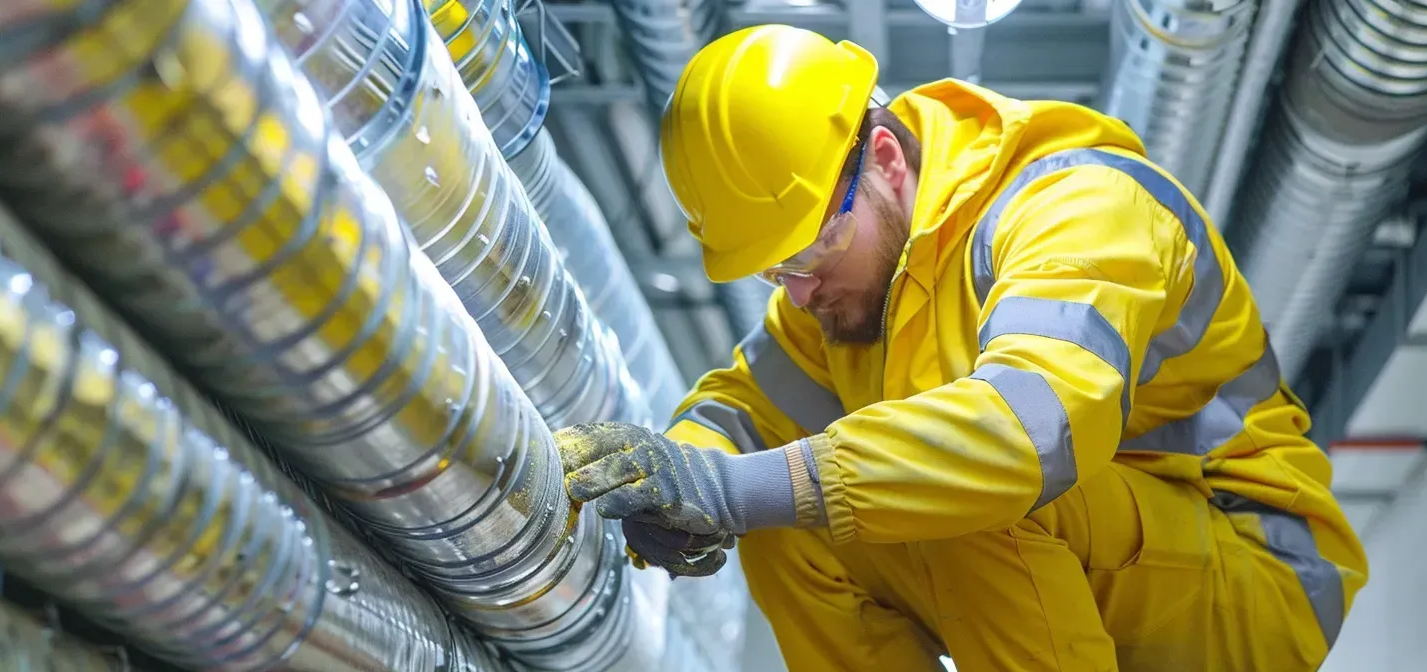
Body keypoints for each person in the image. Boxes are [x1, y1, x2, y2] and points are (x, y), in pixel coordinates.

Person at [553, 24, 1369, 672]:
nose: (797, 293)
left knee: (970, 492)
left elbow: (1028, 434)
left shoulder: (1077, 203)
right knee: (788, 526)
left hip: (1257, 576)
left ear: (883, 161)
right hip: (1111, 563)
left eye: (805, 257)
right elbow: (743, 409)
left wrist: (741, 485)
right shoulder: (851, 285)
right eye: (774, 272)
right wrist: (683, 475)